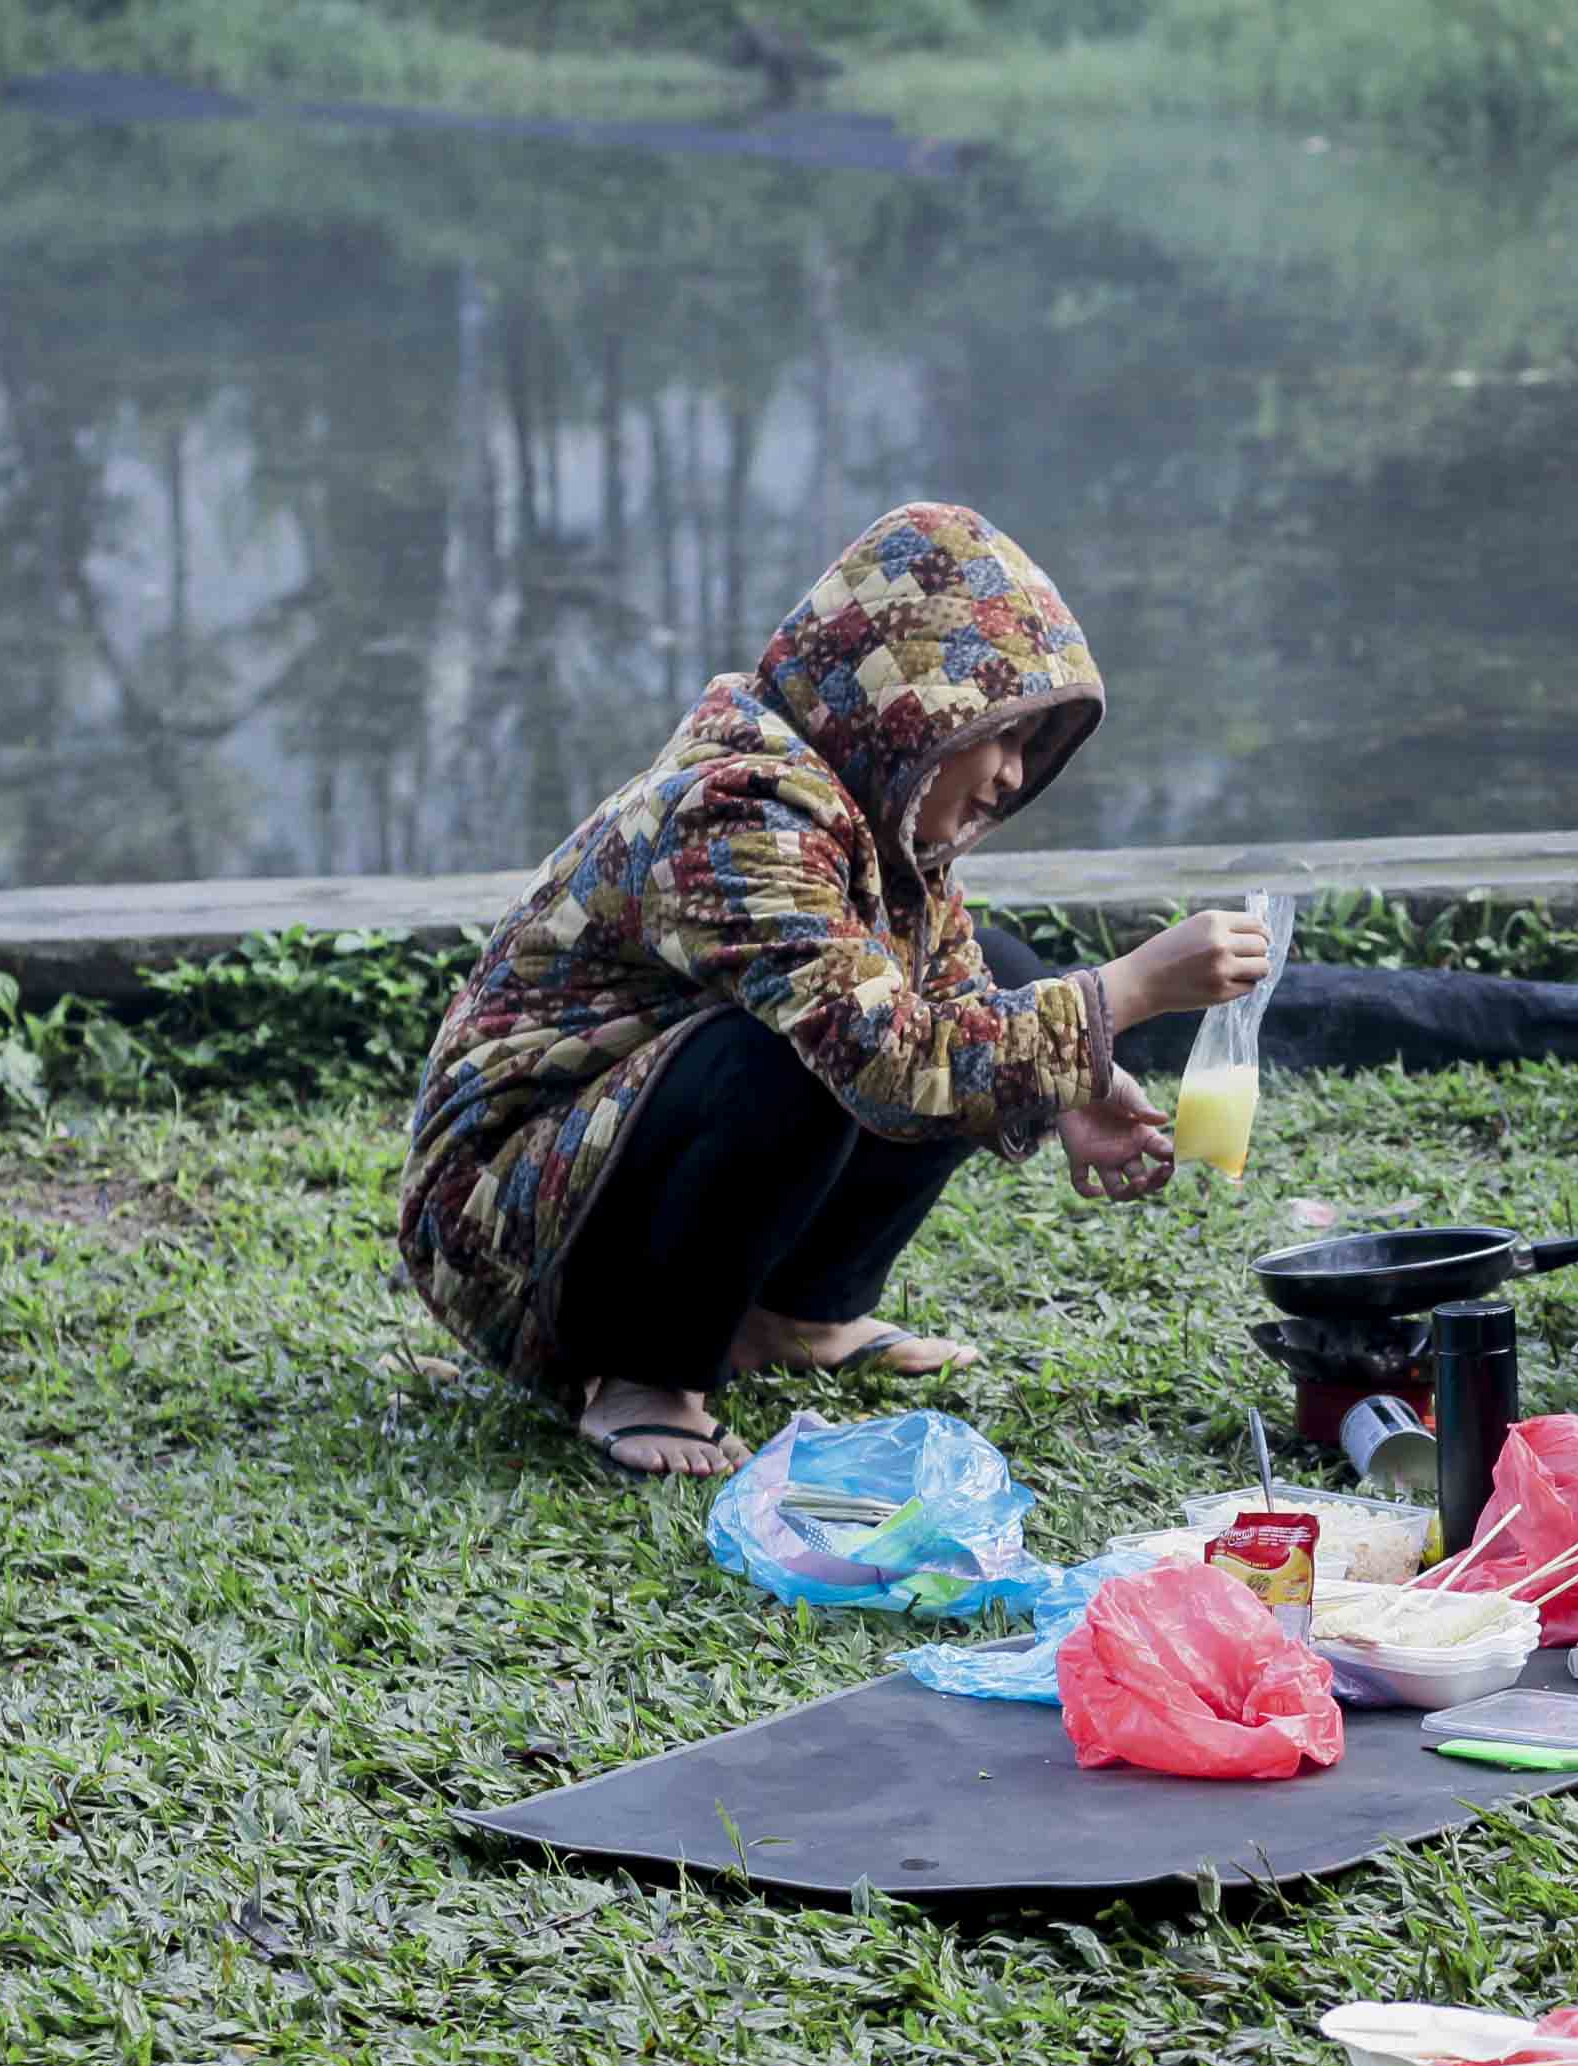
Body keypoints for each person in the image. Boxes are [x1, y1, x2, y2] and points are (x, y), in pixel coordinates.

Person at [397, 502, 1271, 1477]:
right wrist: (1126, 992)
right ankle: (647, 1376)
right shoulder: (741, 808)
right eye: (1003, 738)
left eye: (1033, 749)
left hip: (601, 1161)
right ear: (921, 703)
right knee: (796, 1057)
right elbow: (887, 1062)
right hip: (501, 1229)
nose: (1011, 779)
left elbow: (958, 1001)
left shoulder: (876, 814)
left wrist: (1078, 1083)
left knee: (994, 978)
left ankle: (795, 1318)